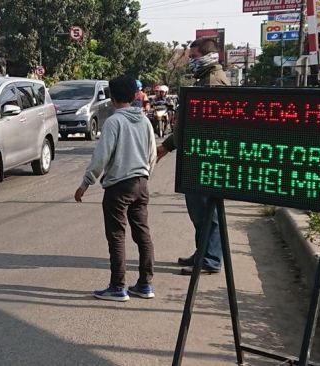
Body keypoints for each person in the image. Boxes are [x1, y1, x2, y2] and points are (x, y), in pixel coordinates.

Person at [74, 75, 157, 301]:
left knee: (117, 236)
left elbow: (101, 158)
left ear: (111, 97)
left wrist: (85, 184)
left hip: (118, 187)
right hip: (141, 183)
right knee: (143, 234)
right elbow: (152, 154)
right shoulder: (144, 121)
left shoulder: (113, 122)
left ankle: (118, 286)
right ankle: (145, 284)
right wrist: (145, 174)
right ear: (134, 96)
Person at [157, 37, 230, 275]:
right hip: (197, 154)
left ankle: (209, 260)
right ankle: (203, 252)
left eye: (193, 56)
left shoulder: (213, 82)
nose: (190, 60)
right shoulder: (204, 80)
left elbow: (199, 125)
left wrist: (167, 146)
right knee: (198, 210)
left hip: (206, 156)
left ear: (206, 56)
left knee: (208, 210)